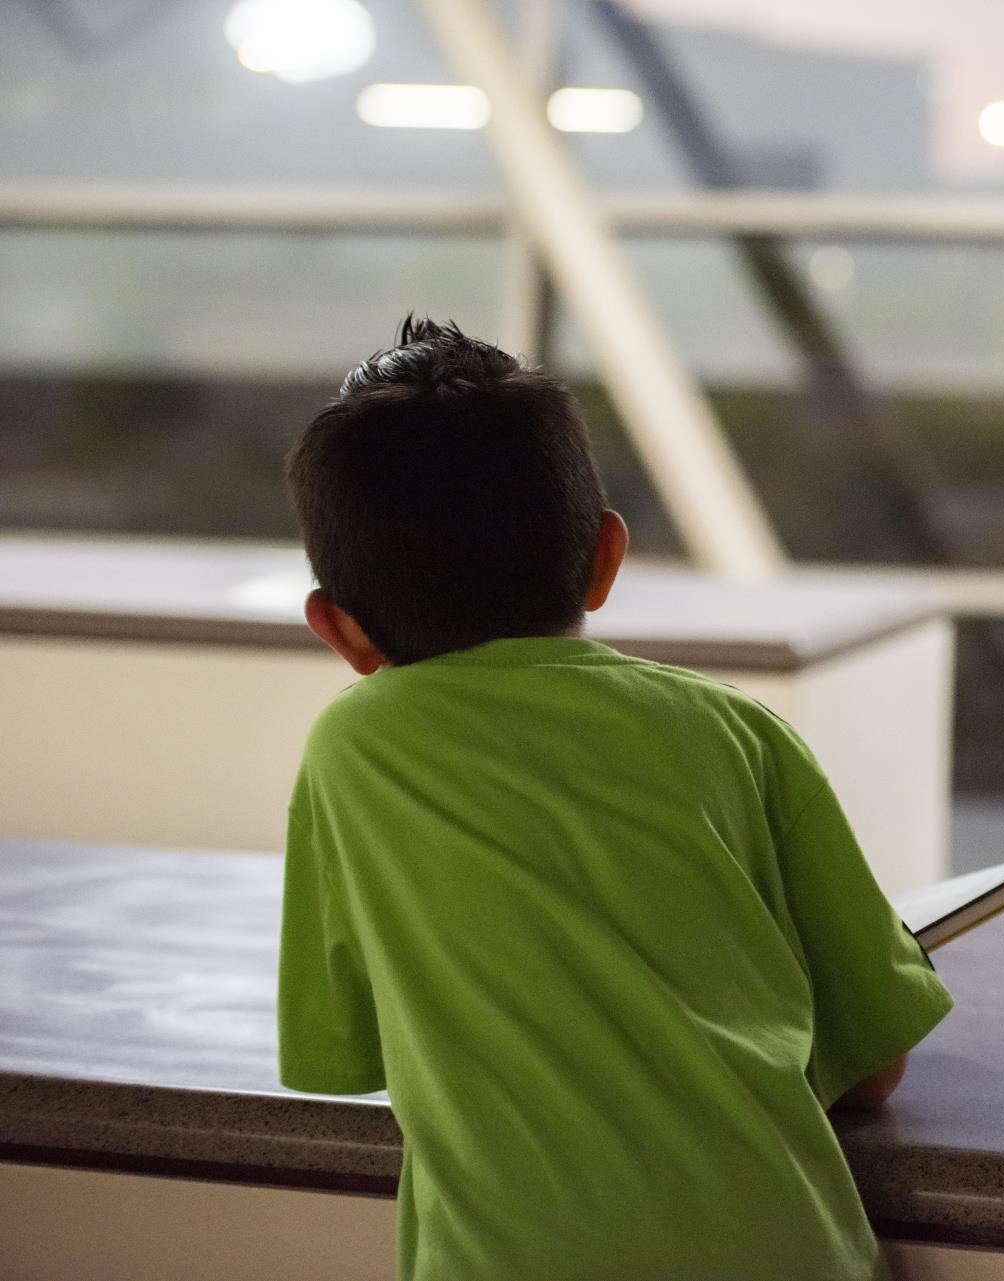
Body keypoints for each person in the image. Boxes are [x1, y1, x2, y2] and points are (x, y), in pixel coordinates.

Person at [277, 317, 953, 1281]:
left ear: (336, 629)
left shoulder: (352, 750)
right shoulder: (737, 733)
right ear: (605, 557)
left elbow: (349, 1051)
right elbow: (873, 1069)